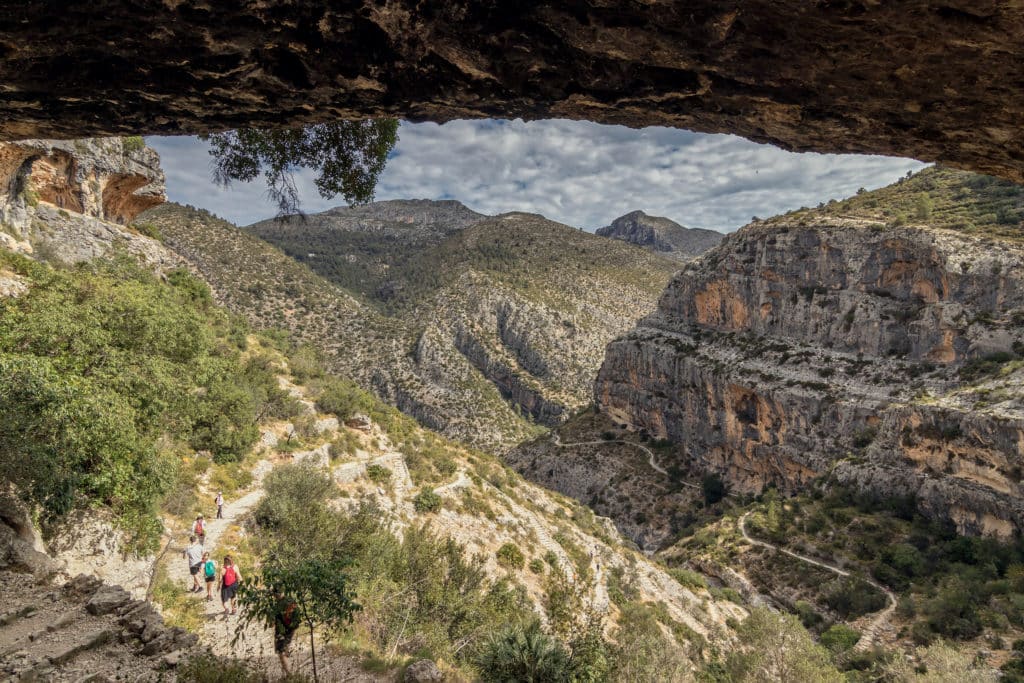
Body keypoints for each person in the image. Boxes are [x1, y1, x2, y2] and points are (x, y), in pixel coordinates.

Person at [274, 591, 300, 675]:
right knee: (283, 650)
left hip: (282, 631)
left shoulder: (278, 605)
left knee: (281, 652)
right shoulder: (291, 600)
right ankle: (287, 671)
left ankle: (289, 674)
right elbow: (297, 618)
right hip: (290, 630)